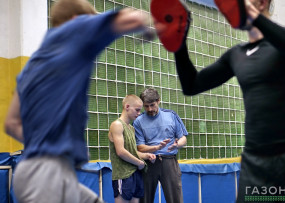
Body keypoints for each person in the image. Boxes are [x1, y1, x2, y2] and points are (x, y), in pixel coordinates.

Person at [4, 0, 152, 202]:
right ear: (75, 21)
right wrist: (154, 21)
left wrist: (43, 141)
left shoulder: (33, 65)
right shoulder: (71, 37)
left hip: (38, 173)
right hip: (44, 178)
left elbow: (11, 124)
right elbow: (131, 18)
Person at [173, 0, 285, 202]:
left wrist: (256, 18)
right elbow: (192, 85)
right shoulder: (237, 55)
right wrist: (178, 44)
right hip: (254, 164)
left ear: (261, 2)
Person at [133, 88, 188, 203]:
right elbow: (140, 147)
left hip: (169, 162)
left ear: (158, 101)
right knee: (145, 199)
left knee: (175, 199)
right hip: (148, 162)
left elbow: (183, 138)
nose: (150, 109)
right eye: (146, 106)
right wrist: (157, 148)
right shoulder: (138, 121)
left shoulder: (171, 116)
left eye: (152, 105)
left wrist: (177, 145)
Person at [108, 94, 156, 203]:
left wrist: (146, 155)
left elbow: (132, 152)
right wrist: (139, 163)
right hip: (123, 174)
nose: (139, 114)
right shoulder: (117, 125)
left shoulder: (132, 128)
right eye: (137, 110)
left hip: (135, 174)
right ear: (127, 106)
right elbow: (121, 152)